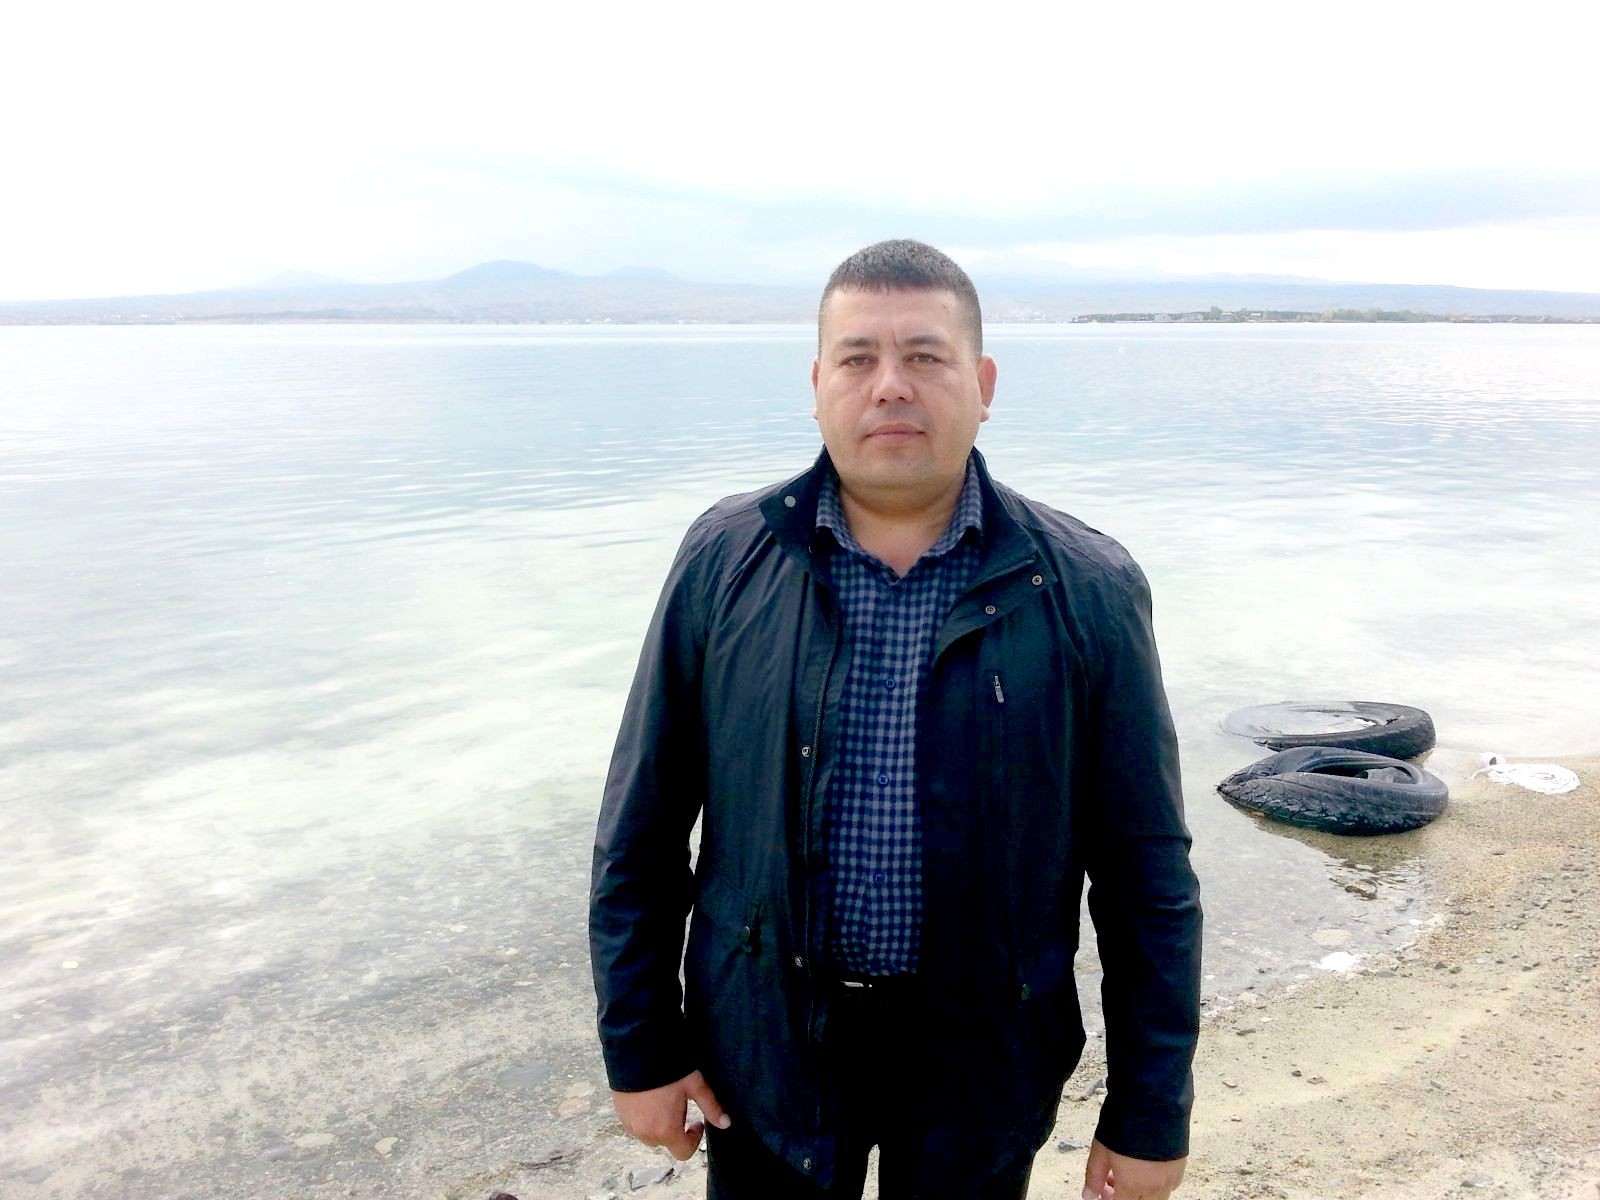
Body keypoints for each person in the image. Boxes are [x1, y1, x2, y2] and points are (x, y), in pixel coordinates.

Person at [590, 239, 1201, 1200]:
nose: (890, 386)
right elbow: (642, 829)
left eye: (925, 356)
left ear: (983, 384)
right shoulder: (725, 561)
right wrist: (641, 1050)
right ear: (818, 384)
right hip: (764, 1054)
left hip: (983, 1061)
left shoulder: (1087, 587)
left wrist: (1149, 1112)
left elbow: (1144, 873)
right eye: (858, 358)